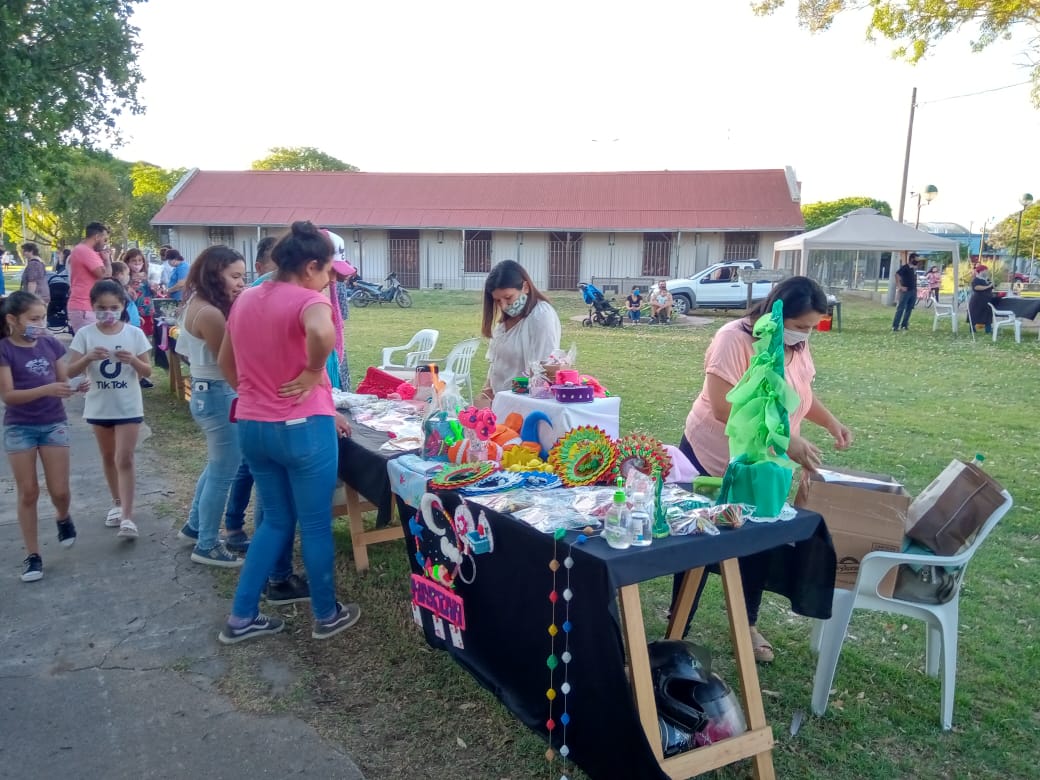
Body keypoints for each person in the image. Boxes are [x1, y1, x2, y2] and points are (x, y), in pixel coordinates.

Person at [677, 276, 853, 662]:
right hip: (713, 456)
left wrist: (830, 422)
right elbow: (723, 407)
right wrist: (785, 440)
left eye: (812, 328)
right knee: (694, 541)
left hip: (763, 466)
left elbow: (801, 390)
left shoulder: (798, 344)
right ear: (778, 312)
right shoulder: (733, 339)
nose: (806, 335)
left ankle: (747, 624)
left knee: (755, 543)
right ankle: (678, 627)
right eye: (801, 326)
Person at [216, 220, 360, 643]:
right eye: (330, 271)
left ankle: (242, 617)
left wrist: (252, 391)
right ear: (311, 265)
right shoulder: (308, 300)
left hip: (254, 424)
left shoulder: (246, 299)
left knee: (273, 522)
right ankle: (326, 612)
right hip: (301, 428)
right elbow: (321, 332)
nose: (331, 280)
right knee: (314, 525)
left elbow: (226, 358)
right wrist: (314, 371)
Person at [0, 291, 84, 581]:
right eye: (33, 319)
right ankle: (33, 555)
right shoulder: (4, 350)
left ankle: (63, 517)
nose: (40, 324)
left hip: (53, 423)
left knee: (59, 490)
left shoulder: (49, 343)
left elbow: (62, 380)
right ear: (13, 319)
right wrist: (47, 389)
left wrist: (73, 387)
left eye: (43, 318)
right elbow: (9, 395)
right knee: (29, 492)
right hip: (19, 427)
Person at [175, 246, 249, 567]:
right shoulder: (210, 313)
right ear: (214, 273)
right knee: (224, 473)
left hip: (206, 392)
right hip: (219, 393)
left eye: (243, 277)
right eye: (234, 276)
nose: (240, 283)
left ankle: (194, 527)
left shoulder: (195, 302)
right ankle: (206, 544)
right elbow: (232, 358)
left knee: (217, 466)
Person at [66, 280, 152, 539]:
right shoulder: (85, 335)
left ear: (123, 306)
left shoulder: (134, 334)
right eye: (101, 308)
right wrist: (88, 358)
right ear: (92, 307)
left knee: (124, 458)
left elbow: (147, 372)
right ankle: (116, 503)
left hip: (128, 405)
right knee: (107, 456)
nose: (107, 313)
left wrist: (133, 360)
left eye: (113, 307)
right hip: (99, 405)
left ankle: (127, 515)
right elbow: (69, 371)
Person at [478, 259, 561, 405]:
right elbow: (496, 366)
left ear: (526, 287)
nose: (503, 306)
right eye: (497, 301)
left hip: (525, 407)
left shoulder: (541, 316)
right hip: (500, 405)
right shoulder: (503, 324)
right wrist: (485, 395)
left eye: (508, 298)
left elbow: (543, 372)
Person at [67, 222, 113, 332]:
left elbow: (108, 275)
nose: (105, 244)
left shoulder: (87, 251)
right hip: (83, 306)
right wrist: (106, 261)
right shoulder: (84, 251)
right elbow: (104, 275)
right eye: (104, 240)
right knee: (89, 345)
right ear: (97, 237)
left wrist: (106, 260)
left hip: (90, 305)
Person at [891, 252, 919, 331]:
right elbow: (897, 275)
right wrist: (900, 286)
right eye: (916, 259)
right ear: (911, 259)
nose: (917, 261)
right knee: (901, 308)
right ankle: (895, 326)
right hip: (906, 291)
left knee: (909, 308)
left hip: (913, 291)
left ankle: (904, 324)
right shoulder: (905, 267)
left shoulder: (914, 268)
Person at [968, 264, 996, 334]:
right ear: (981, 271)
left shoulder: (986, 279)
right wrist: (988, 286)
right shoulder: (976, 279)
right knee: (975, 315)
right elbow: (976, 287)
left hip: (986, 300)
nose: (987, 272)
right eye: (985, 270)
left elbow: (991, 287)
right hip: (977, 300)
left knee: (987, 315)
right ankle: (972, 329)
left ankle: (988, 330)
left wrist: (992, 284)